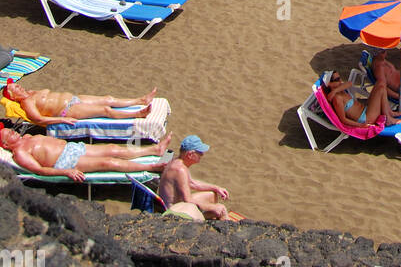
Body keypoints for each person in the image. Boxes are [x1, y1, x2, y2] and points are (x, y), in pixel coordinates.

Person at [0, 126, 170, 182]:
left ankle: (154, 150)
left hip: (71, 148)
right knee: (108, 162)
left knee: (112, 148)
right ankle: (152, 167)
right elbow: (40, 170)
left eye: (11, 130)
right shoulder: (20, 153)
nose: (14, 132)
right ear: (6, 144)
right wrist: (66, 171)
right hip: (64, 161)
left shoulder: (27, 137)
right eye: (9, 134)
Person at [1, 81, 158, 125]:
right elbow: (38, 119)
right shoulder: (27, 103)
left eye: (17, 84)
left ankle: (141, 100)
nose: (19, 85)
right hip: (66, 110)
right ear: (13, 97)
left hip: (74, 98)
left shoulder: (31, 93)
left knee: (108, 98)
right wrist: (62, 119)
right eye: (15, 87)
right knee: (105, 110)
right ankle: (137, 114)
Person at [158, 135, 231, 219]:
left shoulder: (177, 162)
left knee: (212, 195)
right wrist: (213, 207)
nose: (202, 155)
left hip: (178, 205)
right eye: (200, 153)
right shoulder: (180, 170)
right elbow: (188, 200)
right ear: (190, 154)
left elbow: (192, 183)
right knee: (221, 210)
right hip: (174, 212)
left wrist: (216, 188)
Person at [324, 72, 401, 128]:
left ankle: (389, 112)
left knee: (380, 82)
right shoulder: (337, 99)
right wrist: (361, 125)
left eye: (339, 78)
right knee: (381, 88)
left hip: (366, 109)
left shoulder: (339, 90)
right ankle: (388, 119)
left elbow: (350, 83)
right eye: (337, 79)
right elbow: (343, 119)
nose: (340, 81)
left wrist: (334, 91)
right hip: (366, 118)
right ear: (329, 84)